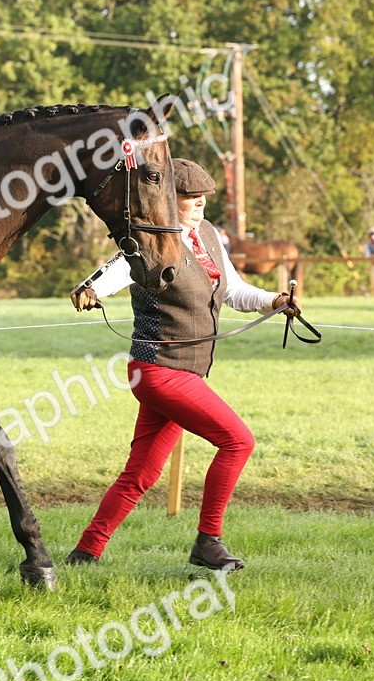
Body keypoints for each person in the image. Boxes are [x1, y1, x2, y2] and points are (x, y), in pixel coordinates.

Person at [66, 158, 300, 571]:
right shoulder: (149, 241)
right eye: (190, 198)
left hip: (183, 371)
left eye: (203, 198)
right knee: (238, 441)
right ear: (167, 200)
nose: (199, 205)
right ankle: (208, 541)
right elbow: (118, 270)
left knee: (141, 474)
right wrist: (90, 288)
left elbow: (234, 290)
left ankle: (85, 553)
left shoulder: (207, 235)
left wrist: (274, 301)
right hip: (157, 370)